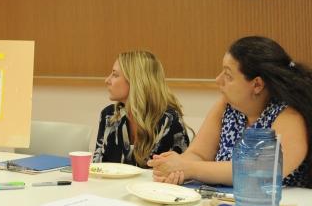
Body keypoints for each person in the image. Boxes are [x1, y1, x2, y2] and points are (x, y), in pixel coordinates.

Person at [149, 36, 311, 188]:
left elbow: (262, 170)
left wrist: (189, 168)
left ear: (257, 85)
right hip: (222, 203)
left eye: (228, 75)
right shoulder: (227, 106)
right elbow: (199, 154)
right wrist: (177, 169)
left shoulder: (289, 115)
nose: (218, 80)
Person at [93, 51, 190, 168]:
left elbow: (179, 173)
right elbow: (98, 167)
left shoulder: (168, 120)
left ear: (135, 80)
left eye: (115, 75)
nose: (107, 80)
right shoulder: (109, 115)